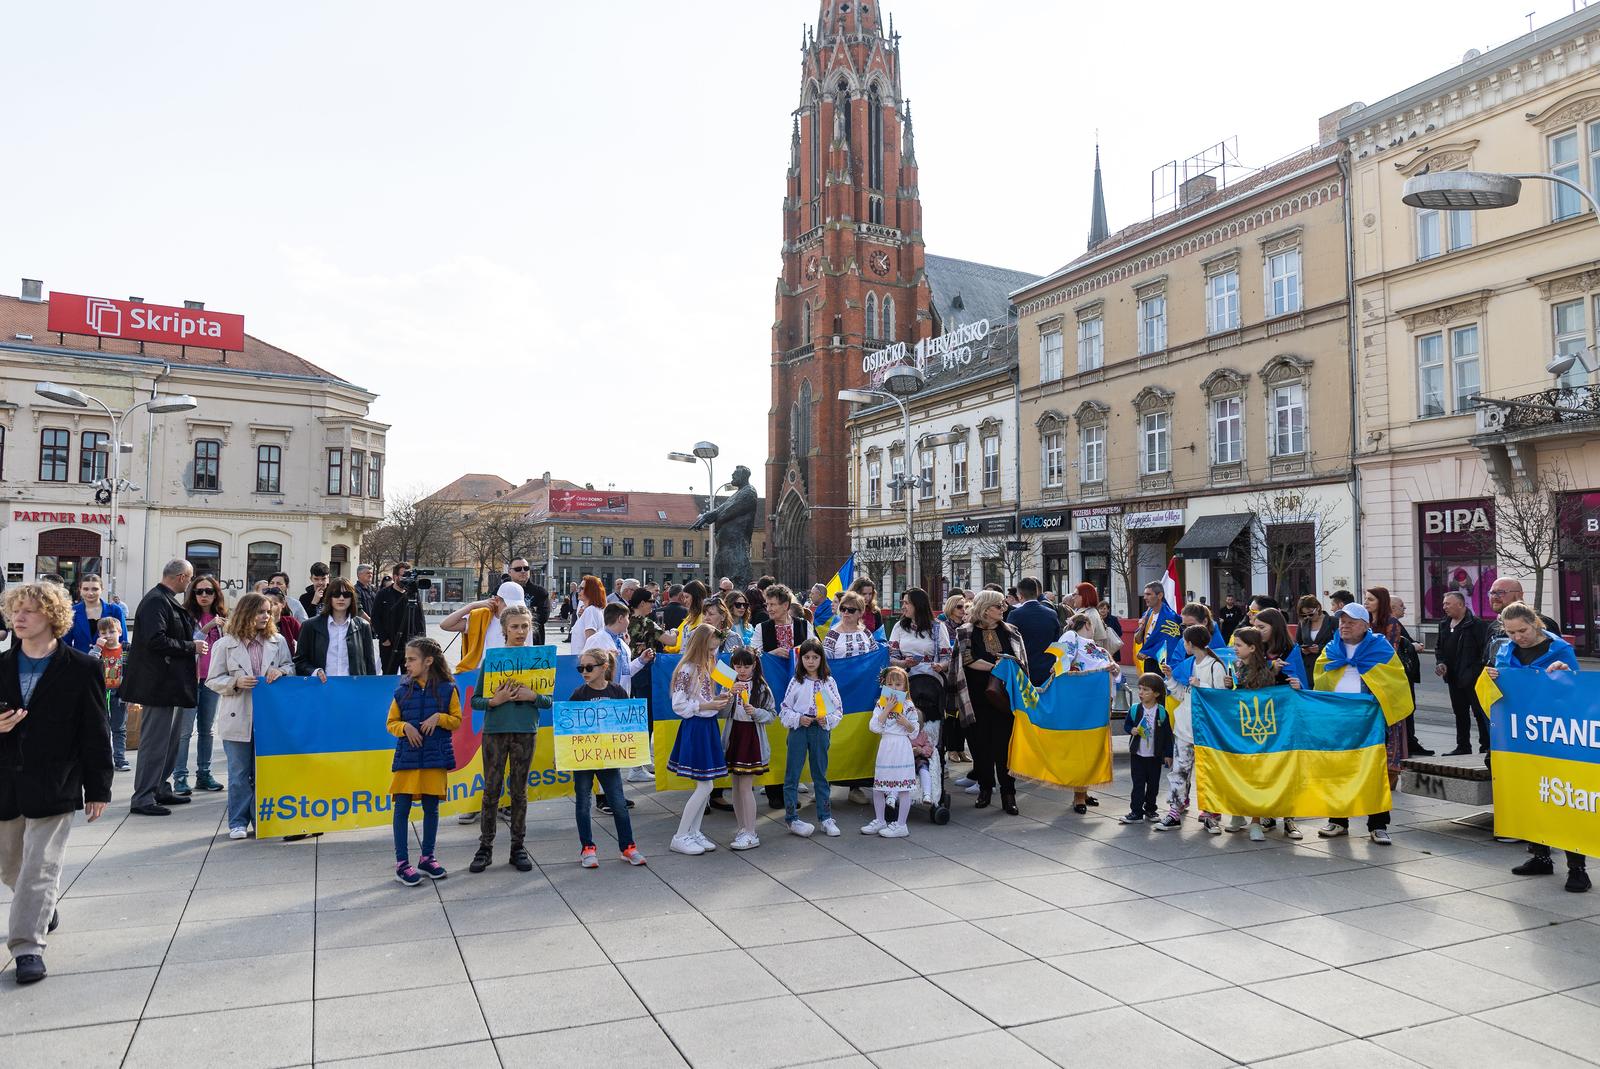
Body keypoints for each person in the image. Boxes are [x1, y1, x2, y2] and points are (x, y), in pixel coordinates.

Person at [0, 581, 113, 985]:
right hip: (5, 781)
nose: (19, 617)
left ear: (51, 616)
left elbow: (96, 730)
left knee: (39, 866)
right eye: (15, 609)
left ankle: (27, 947)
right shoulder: (1, 664)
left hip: (56, 779)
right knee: (10, 863)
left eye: (29, 610)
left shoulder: (82, 668)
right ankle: (42, 906)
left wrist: (98, 788)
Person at [1488, 601, 1588, 893]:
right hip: (1522, 735)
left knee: (1563, 800)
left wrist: (1566, 674)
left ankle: (1577, 868)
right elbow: (1500, 693)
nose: (1518, 637)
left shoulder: (1559, 651)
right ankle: (1540, 856)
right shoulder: (1505, 651)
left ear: (1536, 624)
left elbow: (1576, 692)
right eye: (1511, 633)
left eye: (1523, 630)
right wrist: (1492, 678)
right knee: (1532, 796)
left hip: (1556, 736)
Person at [1306, 604, 1401, 846]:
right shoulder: (1332, 648)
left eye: (1351, 621)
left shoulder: (1380, 648)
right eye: (1342, 621)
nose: (1344, 626)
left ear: (1365, 625)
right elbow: (1321, 677)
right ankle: (1338, 820)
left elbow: (1394, 682)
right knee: (1337, 770)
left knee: (1373, 771)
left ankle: (1378, 825)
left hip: (1368, 721)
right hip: (1338, 719)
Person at [207, 592, 295, 840]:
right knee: (238, 772)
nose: (265, 616)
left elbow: (291, 666)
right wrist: (235, 682)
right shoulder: (225, 644)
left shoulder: (278, 641)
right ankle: (237, 821)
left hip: (269, 717)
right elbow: (212, 679)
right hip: (237, 714)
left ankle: (262, 820)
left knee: (264, 772)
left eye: (268, 611)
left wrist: (281, 671)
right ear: (246, 613)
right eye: (260, 612)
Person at [466, 603, 546, 873]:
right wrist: (494, 701)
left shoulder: (539, 659)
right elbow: (475, 701)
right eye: (515, 627)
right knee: (491, 790)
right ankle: (485, 847)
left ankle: (517, 847)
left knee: (519, 792)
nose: (521, 631)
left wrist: (533, 696)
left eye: (525, 626)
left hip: (525, 731)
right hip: (495, 731)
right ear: (504, 629)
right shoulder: (493, 659)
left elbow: (548, 701)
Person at [120, 560, 204, 817]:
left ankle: (160, 788)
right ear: (180, 577)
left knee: (168, 743)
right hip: (158, 686)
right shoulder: (157, 600)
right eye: (189, 579)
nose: (190, 584)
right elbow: (156, 640)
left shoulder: (164, 599)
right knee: (155, 743)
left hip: (169, 685)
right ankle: (143, 796)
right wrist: (191, 647)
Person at [387, 638, 461, 886]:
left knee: (432, 808)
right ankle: (401, 863)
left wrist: (439, 717)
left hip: (434, 757)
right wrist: (405, 727)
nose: (406, 664)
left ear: (428, 661)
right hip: (407, 759)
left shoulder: (448, 689)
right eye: (406, 659)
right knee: (402, 809)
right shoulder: (402, 690)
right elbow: (391, 723)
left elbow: (456, 720)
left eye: (411, 659)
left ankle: (427, 857)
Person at [567, 647, 649, 870]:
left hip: (608, 759)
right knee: (583, 803)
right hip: (584, 759)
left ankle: (628, 847)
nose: (584, 671)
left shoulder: (617, 691)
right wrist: (563, 753)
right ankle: (587, 848)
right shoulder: (578, 695)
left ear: (604, 667)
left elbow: (629, 725)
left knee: (618, 803)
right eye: (581, 668)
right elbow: (567, 729)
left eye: (589, 667)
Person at [950, 589, 1025, 815]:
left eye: (1003, 605)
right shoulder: (965, 632)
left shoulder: (1011, 632)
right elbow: (965, 660)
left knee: (1005, 748)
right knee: (979, 745)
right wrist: (996, 666)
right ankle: (985, 788)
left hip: (1004, 699)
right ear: (985, 609)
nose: (1003, 609)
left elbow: (1020, 664)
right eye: (999, 606)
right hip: (975, 697)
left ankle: (1008, 793)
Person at [1049, 611, 1123, 813]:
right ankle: (1079, 795)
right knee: (1084, 747)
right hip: (1083, 703)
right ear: (1088, 625)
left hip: (1101, 702)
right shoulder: (1072, 637)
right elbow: (1063, 666)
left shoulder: (1098, 648)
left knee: (1094, 748)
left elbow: (1117, 674)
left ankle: (1084, 789)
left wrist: (1113, 669)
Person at [667, 624, 731, 855]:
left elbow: (706, 694)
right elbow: (679, 704)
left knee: (707, 783)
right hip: (696, 726)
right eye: (715, 638)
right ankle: (681, 835)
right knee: (705, 785)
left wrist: (717, 698)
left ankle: (693, 832)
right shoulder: (687, 668)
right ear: (705, 640)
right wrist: (708, 704)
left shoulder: (707, 664)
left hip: (706, 724)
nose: (718, 642)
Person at [1161, 624, 1230, 831]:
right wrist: (1172, 678)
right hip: (1185, 726)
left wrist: (1202, 685)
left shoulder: (1214, 666)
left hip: (1206, 729)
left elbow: (1220, 696)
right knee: (1180, 769)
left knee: (1207, 771)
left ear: (1190, 644)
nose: (1184, 645)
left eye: (1184, 641)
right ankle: (1175, 809)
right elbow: (1182, 694)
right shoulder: (1189, 664)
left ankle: (1210, 812)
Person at [1227, 625, 1291, 841]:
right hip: (1240, 727)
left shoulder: (1264, 671)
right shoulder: (1236, 666)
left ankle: (1256, 820)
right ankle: (1237, 813)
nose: (1234, 648)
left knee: (1256, 774)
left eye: (1238, 645)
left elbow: (1262, 699)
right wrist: (1230, 687)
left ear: (1252, 648)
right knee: (1238, 770)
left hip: (1258, 730)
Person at [779, 638, 842, 837]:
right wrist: (798, 719)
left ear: (821, 659)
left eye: (815, 657)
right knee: (792, 775)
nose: (811, 661)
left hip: (820, 731)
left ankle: (825, 817)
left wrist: (827, 720)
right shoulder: (796, 681)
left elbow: (838, 709)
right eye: (807, 657)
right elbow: (784, 709)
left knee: (820, 775)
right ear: (801, 659)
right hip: (799, 731)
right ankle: (791, 818)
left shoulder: (829, 682)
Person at [172, 577, 228, 795]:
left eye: (209, 591)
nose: (204, 595)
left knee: (207, 730)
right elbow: (187, 644)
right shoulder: (185, 616)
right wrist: (207, 627)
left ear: (216, 594)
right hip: (190, 679)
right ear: (192, 594)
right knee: (184, 731)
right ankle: (180, 777)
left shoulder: (222, 617)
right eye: (199, 591)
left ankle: (204, 774)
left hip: (212, 679)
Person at [722, 647, 775, 850]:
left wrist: (757, 712)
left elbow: (772, 714)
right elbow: (722, 712)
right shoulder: (729, 684)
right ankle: (742, 827)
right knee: (735, 785)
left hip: (751, 736)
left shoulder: (761, 687)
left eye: (746, 666)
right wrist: (728, 696)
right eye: (738, 666)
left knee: (745, 786)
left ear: (754, 665)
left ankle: (752, 831)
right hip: (733, 734)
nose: (742, 670)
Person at [889, 588, 952, 755]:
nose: (903, 606)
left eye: (907, 603)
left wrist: (941, 666)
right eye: (903, 603)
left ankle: (933, 753)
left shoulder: (938, 627)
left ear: (918, 605)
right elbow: (891, 655)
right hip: (904, 680)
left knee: (931, 718)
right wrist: (902, 662)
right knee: (903, 718)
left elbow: (947, 657)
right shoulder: (899, 626)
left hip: (930, 682)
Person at [862, 666, 919, 838]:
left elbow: (914, 731)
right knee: (879, 786)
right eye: (890, 684)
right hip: (886, 745)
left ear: (905, 687)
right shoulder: (881, 704)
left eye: (898, 684)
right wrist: (886, 710)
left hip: (901, 746)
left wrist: (906, 723)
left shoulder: (908, 706)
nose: (894, 688)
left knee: (903, 788)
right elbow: (873, 726)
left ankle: (901, 825)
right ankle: (880, 820)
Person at [1435, 590, 1489, 755]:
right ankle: (1463, 746)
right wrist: (1441, 662)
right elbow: (1439, 648)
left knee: (1479, 713)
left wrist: (1475, 672)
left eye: (1448, 604)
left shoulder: (1476, 624)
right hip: (1453, 678)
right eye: (1444, 604)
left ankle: (1486, 746)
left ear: (1460, 604)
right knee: (1460, 713)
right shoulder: (1444, 624)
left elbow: (1484, 652)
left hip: (1473, 678)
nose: (1444, 607)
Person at [295, 577, 378, 680]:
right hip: (321, 687)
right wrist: (315, 672)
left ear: (352, 598)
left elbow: (370, 665)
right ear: (329, 597)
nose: (341, 598)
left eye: (346, 594)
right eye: (336, 594)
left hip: (353, 688)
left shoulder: (363, 626)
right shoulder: (310, 626)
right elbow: (299, 661)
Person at [1120, 673, 1172, 825]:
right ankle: (1136, 811)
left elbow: (1168, 735)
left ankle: (1150, 808)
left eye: (1146, 690)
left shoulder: (1161, 712)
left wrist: (1168, 754)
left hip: (1154, 756)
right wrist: (1132, 730)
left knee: (1153, 785)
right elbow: (1127, 725)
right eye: (1140, 689)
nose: (1141, 692)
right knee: (1138, 784)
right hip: (1137, 754)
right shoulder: (1135, 709)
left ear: (1156, 693)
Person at [441, 582, 522, 674]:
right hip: (478, 675)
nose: (513, 610)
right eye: (508, 605)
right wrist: (472, 606)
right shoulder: (481, 617)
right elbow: (445, 625)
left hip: (508, 674)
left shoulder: (522, 622)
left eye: (517, 606)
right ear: (497, 600)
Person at [1388, 594, 1433, 756]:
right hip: (1401, 676)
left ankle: (1409, 742)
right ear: (1392, 608)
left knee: (1409, 709)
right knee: (1406, 709)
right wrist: (1412, 645)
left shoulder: (1395, 624)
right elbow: (1397, 647)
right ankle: (1407, 744)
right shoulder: (1390, 625)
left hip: (1406, 675)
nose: (1404, 609)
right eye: (1401, 606)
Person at [90, 617, 131, 773]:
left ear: (120, 632)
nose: (108, 635)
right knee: (102, 728)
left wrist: (132, 695)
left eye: (112, 631)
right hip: (101, 694)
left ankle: (120, 759)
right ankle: (104, 759)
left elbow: (135, 672)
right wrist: (97, 648)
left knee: (119, 728)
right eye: (103, 632)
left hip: (120, 694)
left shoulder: (127, 649)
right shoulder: (98, 650)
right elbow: (89, 663)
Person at [372, 562, 427, 673]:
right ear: (395, 576)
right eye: (403, 575)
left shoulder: (413, 595)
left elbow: (420, 619)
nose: (406, 579)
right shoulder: (383, 594)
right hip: (389, 644)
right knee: (388, 675)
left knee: (409, 676)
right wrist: (384, 638)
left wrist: (422, 641)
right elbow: (375, 617)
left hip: (409, 644)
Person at [1006, 577, 1061, 686]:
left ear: (1020, 596)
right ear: (1036, 593)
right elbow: (1057, 641)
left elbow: (1010, 643)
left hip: (1025, 670)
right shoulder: (1051, 613)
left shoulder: (1015, 615)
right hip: (1048, 668)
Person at [64, 574, 126, 655]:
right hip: (81, 662)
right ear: (80, 590)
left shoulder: (115, 610)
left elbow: (123, 640)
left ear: (102, 589)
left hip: (110, 663)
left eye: (95, 589)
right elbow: (65, 642)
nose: (90, 593)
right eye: (86, 589)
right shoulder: (72, 611)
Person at [941, 595, 971, 762]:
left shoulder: (966, 627)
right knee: (951, 713)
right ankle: (951, 748)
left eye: (964, 607)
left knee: (963, 715)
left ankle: (960, 749)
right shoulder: (945, 627)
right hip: (949, 674)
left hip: (964, 673)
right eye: (959, 607)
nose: (963, 610)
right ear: (951, 608)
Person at [823, 590, 878, 658]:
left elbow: (875, 657)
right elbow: (825, 662)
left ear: (861, 613)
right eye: (843, 608)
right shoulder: (832, 636)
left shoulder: (866, 633)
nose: (846, 612)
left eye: (851, 610)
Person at [1131, 582, 1168, 674]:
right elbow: (1138, 640)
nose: (1144, 598)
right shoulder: (1146, 615)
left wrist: (1148, 652)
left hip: (1162, 663)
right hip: (1148, 662)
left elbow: (1168, 642)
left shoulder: (1169, 617)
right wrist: (1142, 627)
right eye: (1144, 594)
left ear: (1160, 595)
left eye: (1148, 594)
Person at [1296, 595, 1335, 673]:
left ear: (1318, 608)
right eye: (1304, 615)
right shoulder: (1303, 623)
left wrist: (1320, 648)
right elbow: (1298, 643)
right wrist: (1303, 650)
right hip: (1308, 667)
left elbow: (1340, 644)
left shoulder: (1333, 621)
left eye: (1310, 614)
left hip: (1328, 666)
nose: (1308, 617)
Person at [266, 588, 300, 655]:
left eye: (274, 604)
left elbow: (305, 641)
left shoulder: (290, 622)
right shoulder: (258, 623)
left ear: (283, 604)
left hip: (289, 663)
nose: (270, 607)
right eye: (266, 604)